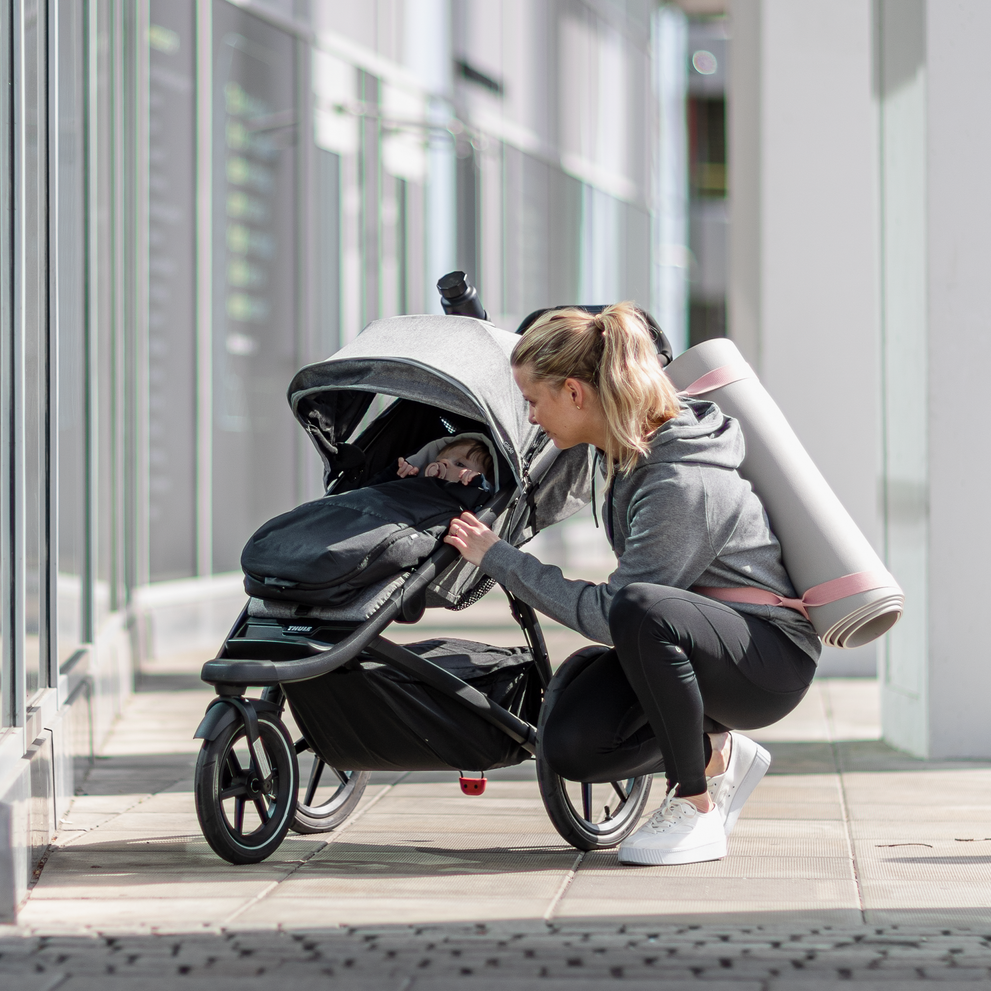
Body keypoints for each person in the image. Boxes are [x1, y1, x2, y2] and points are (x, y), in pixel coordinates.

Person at [444, 302, 820, 867]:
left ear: (575, 393)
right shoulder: (614, 444)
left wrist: (500, 560)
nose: (532, 418)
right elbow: (532, 490)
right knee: (573, 745)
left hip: (766, 661)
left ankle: (695, 807)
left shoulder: (682, 481)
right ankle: (717, 755)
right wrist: (452, 467)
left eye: (532, 402)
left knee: (639, 606)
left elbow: (613, 613)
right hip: (690, 640)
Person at [395, 438, 493, 487]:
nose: (443, 462)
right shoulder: (419, 482)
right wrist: (403, 472)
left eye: (460, 464)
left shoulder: (471, 498)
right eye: (439, 460)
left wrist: (477, 482)